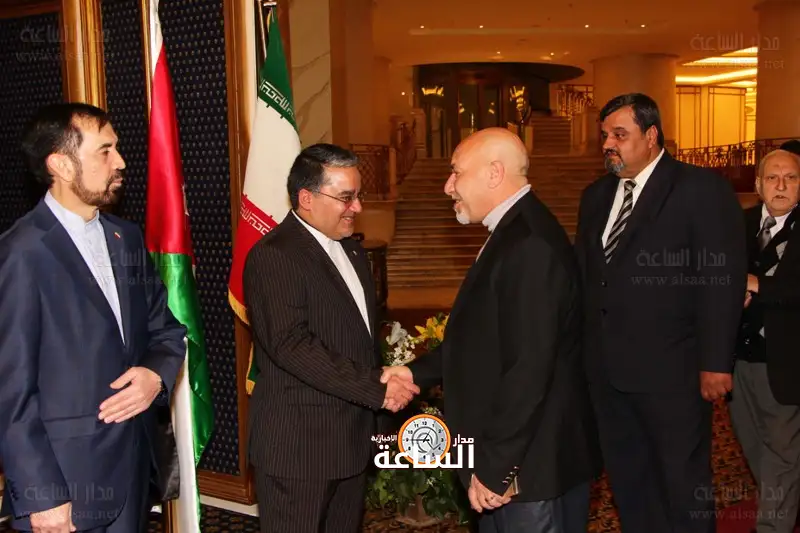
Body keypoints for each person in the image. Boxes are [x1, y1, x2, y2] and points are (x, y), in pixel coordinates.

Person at [382, 128, 602, 532]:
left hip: (529, 469)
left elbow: (529, 367)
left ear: (494, 173)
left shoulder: (530, 243)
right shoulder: (514, 231)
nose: (448, 186)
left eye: (456, 172)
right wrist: (415, 372)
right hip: (518, 461)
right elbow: (483, 342)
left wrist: (497, 465)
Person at [0, 102, 186, 533]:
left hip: (132, 474)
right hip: (63, 489)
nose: (120, 162)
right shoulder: (20, 253)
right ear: (61, 165)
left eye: (116, 148)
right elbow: (10, 393)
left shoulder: (126, 238)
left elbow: (166, 330)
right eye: (105, 151)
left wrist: (154, 376)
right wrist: (42, 495)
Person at [573, 92, 748, 533]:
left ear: (651, 136)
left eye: (619, 134)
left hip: (675, 372)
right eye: (605, 136)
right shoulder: (595, 196)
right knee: (630, 481)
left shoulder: (699, 188)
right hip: (607, 374)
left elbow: (720, 279)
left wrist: (715, 362)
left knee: (682, 484)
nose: (608, 144)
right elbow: (589, 280)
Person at [242, 143, 420, 533]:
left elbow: (357, 340)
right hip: (300, 451)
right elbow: (291, 346)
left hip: (352, 443)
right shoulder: (274, 256)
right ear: (307, 198)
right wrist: (377, 388)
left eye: (358, 195)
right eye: (346, 197)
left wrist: (382, 380)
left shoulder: (353, 252)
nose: (357, 207)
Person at [730, 149, 800, 533]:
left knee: (782, 454)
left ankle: (772, 527)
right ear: (758, 185)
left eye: (791, 178)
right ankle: (784, 505)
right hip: (738, 361)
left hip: (786, 363)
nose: (781, 185)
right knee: (755, 446)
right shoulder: (736, 224)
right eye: (773, 177)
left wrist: (756, 284)